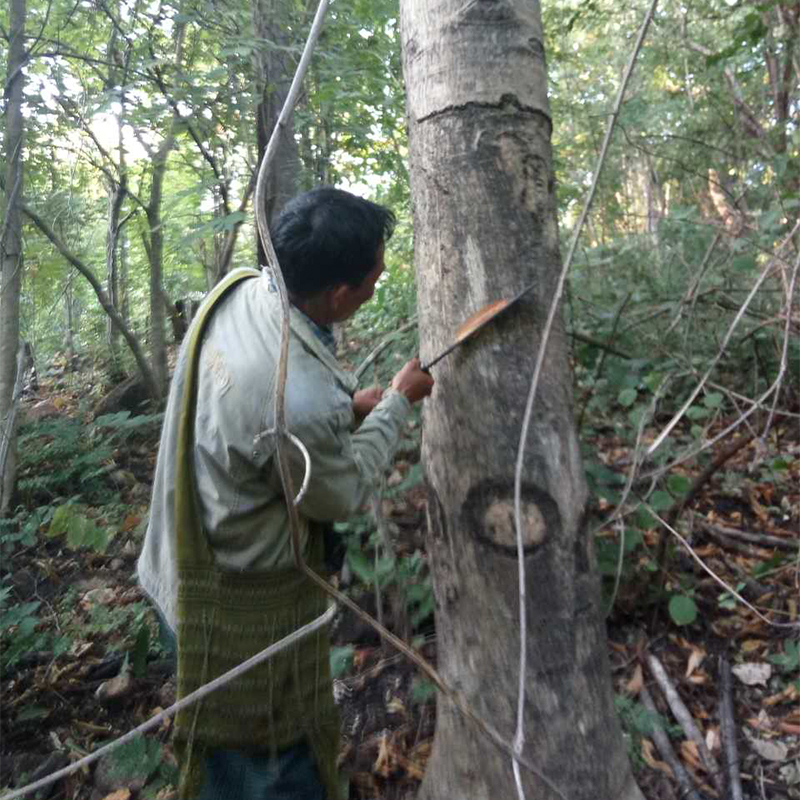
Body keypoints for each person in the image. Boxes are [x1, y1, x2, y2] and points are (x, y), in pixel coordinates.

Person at [137, 187, 434, 800]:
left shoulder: (245, 293)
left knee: (226, 747)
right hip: (232, 611)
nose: (378, 286)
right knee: (272, 759)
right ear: (339, 295)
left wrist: (344, 411)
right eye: (374, 281)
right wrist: (397, 405)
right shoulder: (292, 397)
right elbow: (341, 492)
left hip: (176, 564)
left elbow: (254, 435)